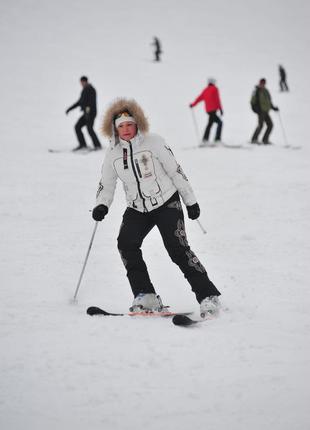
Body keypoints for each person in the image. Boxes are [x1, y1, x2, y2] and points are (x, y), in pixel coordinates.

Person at [92, 98, 221, 317]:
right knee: (126, 244)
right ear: (114, 129)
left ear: (137, 124)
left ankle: (208, 295)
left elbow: (175, 170)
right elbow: (107, 184)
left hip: (166, 202)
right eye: (120, 126)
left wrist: (190, 201)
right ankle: (145, 295)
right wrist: (102, 205)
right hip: (137, 208)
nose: (125, 130)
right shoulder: (113, 154)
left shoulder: (154, 142)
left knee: (177, 248)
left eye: (129, 124)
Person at [66, 76, 102, 151]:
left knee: (89, 129)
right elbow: (80, 102)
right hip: (86, 113)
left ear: (86, 81)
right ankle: (83, 144)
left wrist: (88, 112)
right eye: (81, 83)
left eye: (82, 82)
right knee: (77, 127)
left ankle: (97, 145)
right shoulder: (84, 90)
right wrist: (70, 109)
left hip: (91, 113)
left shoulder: (91, 89)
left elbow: (91, 102)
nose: (81, 84)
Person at [189, 78, 223, 146]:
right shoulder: (215, 89)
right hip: (213, 110)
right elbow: (217, 99)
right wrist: (221, 109)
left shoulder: (205, 90)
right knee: (220, 123)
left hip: (208, 110)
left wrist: (193, 104)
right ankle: (217, 139)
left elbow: (199, 98)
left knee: (210, 124)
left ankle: (205, 139)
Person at [250, 78, 279, 145]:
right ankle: (254, 139)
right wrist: (256, 110)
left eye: (264, 83)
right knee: (261, 125)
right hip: (261, 111)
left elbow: (269, 101)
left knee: (270, 125)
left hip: (266, 111)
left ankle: (265, 139)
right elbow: (252, 102)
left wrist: (273, 108)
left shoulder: (266, 91)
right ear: (259, 83)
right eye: (261, 83)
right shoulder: (256, 91)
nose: (262, 85)